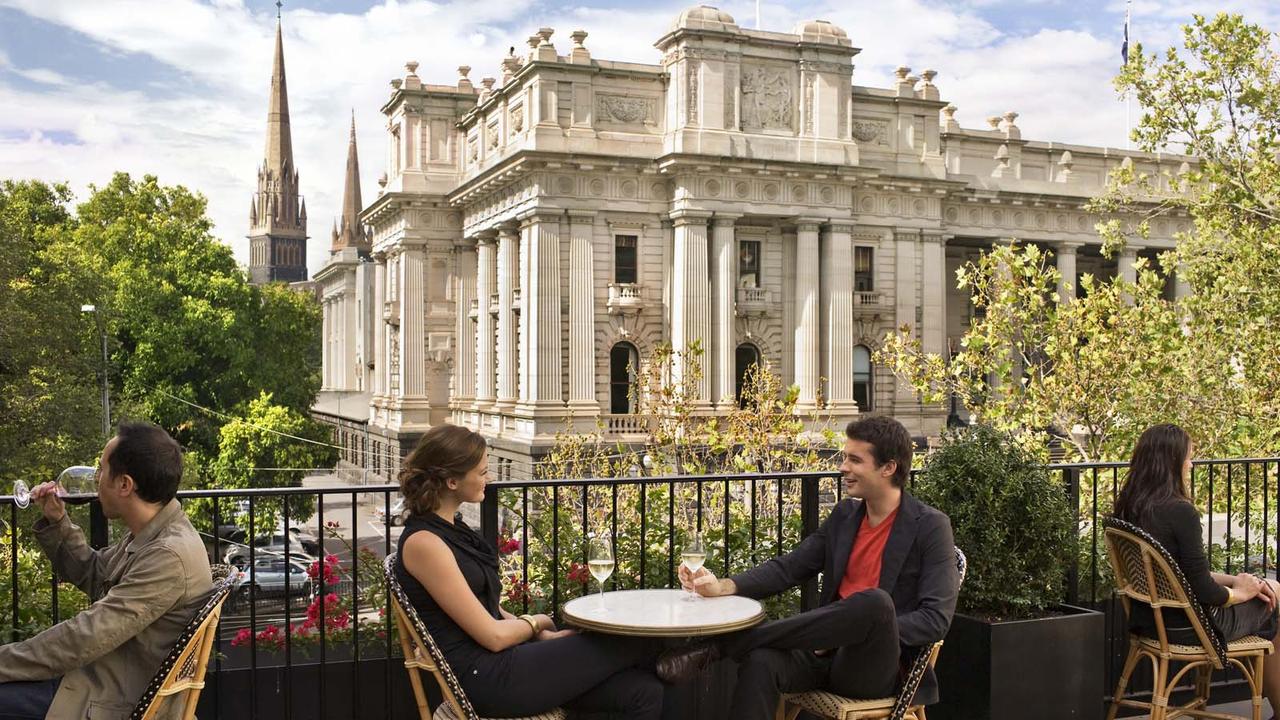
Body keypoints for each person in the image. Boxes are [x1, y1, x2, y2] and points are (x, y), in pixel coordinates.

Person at [658, 416, 960, 720]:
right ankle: (735, 646)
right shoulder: (845, 516)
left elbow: (935, 619)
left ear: (888, 468)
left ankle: (722, 647)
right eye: (844, 457)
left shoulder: (930, 526)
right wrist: (723, 586)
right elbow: (789, 568)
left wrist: (851, 632)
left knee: (875, 602)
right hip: (823, 654)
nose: (843, 467)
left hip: (876, 667)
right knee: (762, 661)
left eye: (855, 460)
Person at [394, 424, 664, 718]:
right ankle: (697, 652)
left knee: (644, 692)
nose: (490, 478)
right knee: (630, 642)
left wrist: (542, 639)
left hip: (507, 663)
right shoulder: (424, 543)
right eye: (483, 473)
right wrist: (539, 622)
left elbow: (491, 611)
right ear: (451, 481)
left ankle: (682, 657)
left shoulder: (452, 531)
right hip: (487, 678)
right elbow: (493, 635)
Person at [0, 421, 213, 720]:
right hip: (92, 680)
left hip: (108, 700)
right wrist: (58, 522)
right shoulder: (154, 532)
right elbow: (93, 571)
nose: (96, 479)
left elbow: (86, 636)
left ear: (125, 485)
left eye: (101, 470)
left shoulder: (168, 555)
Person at [1112, 423, 1280, 709]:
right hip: (1191, 627)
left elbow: (1178, 573)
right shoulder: (1181, 511)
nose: (1191, 464)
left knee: (1268, 588)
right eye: (1189, 457)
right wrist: (1242, 592)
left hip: (1151, 622)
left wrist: (1238, 580)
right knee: (1276, 595)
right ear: (1173, 462)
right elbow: (1207, 593)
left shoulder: (1130, 507)